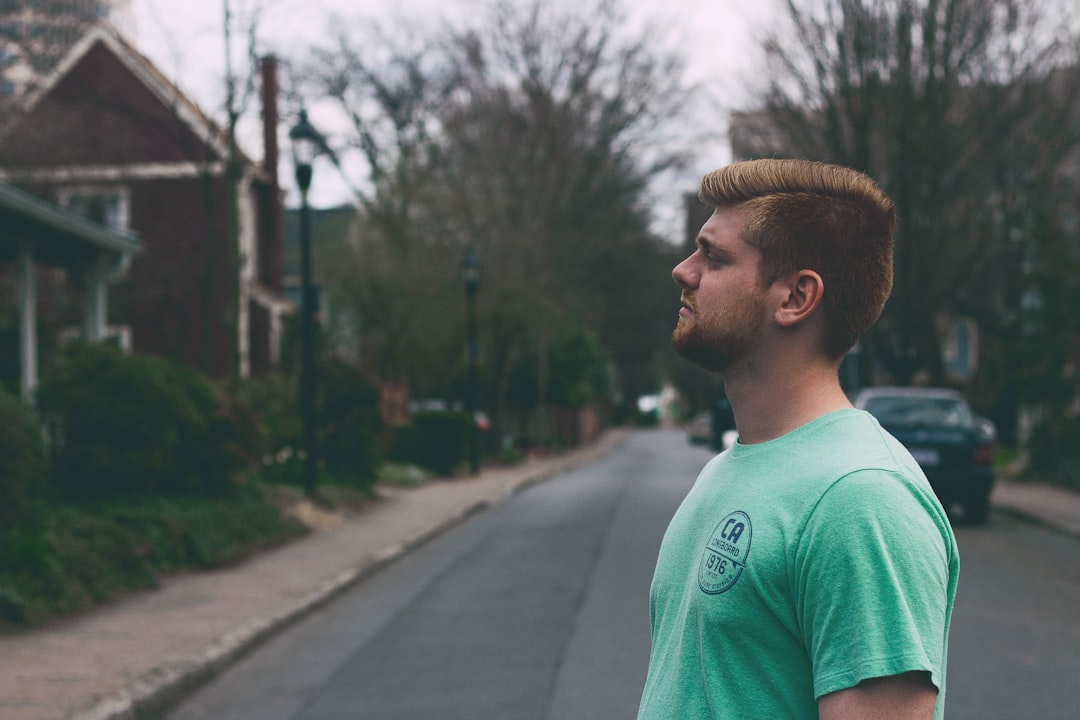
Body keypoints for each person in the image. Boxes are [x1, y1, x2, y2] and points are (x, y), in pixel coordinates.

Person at [637, 159, 959, 720]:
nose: (683, 271)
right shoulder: (726, 467)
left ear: (795, 297)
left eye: (714, 256)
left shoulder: (861, 501)